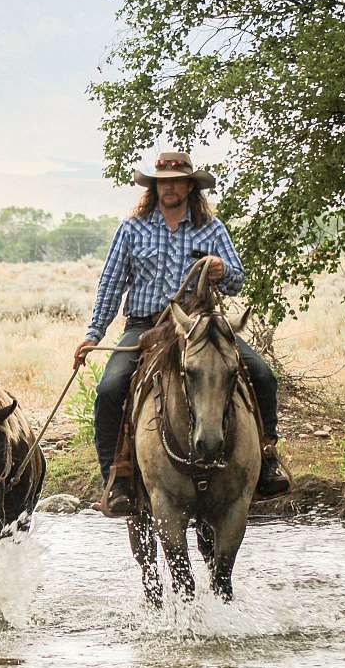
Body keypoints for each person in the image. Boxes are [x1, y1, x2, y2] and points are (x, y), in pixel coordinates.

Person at [73, 151, 290, 515]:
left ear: (190, 186)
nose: (169, 188)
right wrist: (94, 334)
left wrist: (222, 269)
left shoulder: (212, 229)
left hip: (200, 326)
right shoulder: (132, 228)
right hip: (146, 326)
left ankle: (266, 458)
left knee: (263, 375)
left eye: (176, 181)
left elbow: (237, 282)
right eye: (162, 182)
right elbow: (111, 284)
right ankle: (117, 476)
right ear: (154, 187)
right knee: (110, 388)